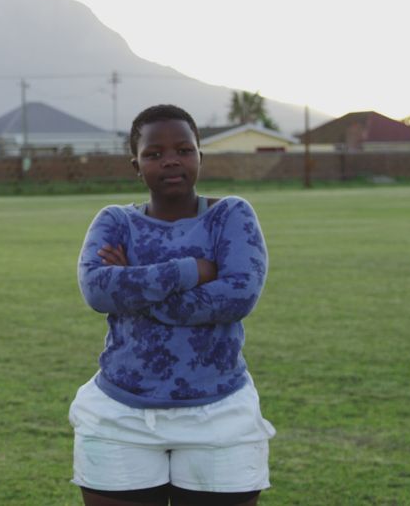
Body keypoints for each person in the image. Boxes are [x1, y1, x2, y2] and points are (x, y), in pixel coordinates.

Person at [70, 104, 276, 506]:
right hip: (120, 414)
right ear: (136, 164)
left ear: (201, 155)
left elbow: (238, 295)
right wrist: (193, 270)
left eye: (184, 150)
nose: (170, 161)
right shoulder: (115, 221)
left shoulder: (229, 215)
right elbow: (97, 290)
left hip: (219, 414)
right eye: (154, 154)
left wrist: (136, 286)